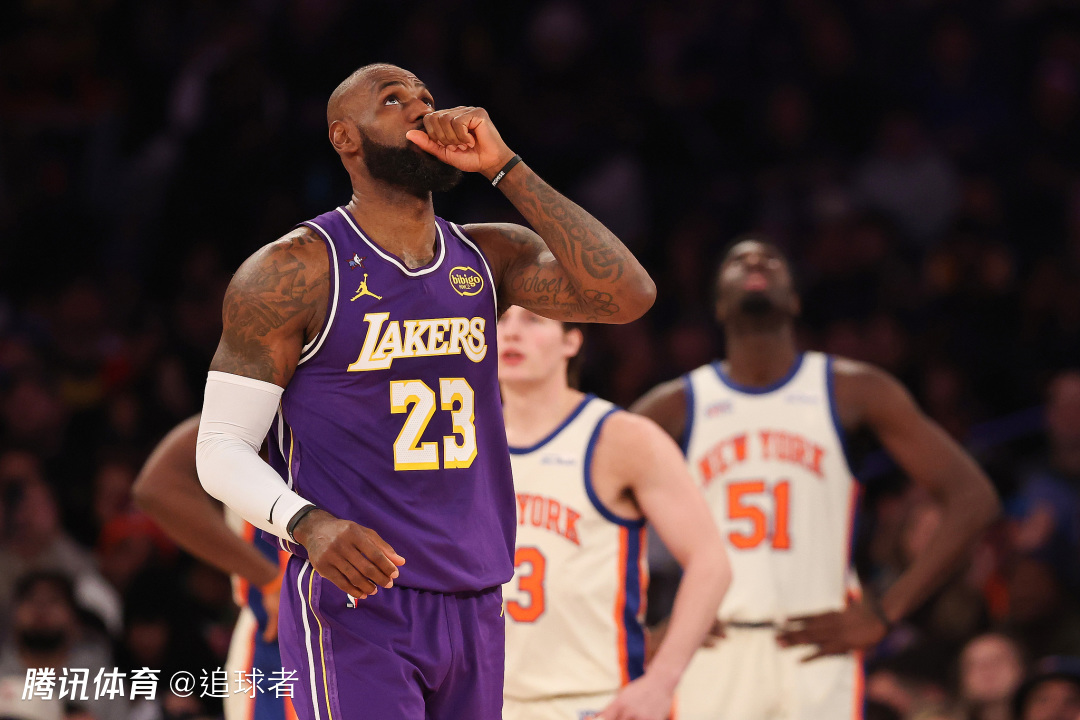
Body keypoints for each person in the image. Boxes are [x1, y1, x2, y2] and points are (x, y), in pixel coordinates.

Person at [194, 62, 655, 720]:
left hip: (476, 593)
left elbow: (629, 295)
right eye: (393, 99)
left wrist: (506, 168)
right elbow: (218, 446)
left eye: (426, 97)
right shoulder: (294, 270)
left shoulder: (491, 255)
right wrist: (305, 523)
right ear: (344, 137)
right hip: (357, 596)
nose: (421, 110)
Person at [632, 237, 999, 720]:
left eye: (771, 259)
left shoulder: (853, 389)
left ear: (795, 300)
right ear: (718, 305)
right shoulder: (676, 403)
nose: (755, 261)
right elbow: (588, 507)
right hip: (711, 647)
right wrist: (636, 631)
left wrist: (886, 611)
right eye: (738, 260)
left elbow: (974, 498)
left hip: (818, 647)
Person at [496, 306, 730, 720]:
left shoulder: (620, 436)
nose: (512, 333)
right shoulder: (461, 440)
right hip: (489, 701)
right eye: (501, 319)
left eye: (532, 320)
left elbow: (711, 563)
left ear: (572, 340)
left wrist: (661, 682)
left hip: (593, 701)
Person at [133, 415, 297, 720]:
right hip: (279, 647)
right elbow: (157, 486)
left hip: (368, 632)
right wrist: (270, 579)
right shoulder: (268, 405)